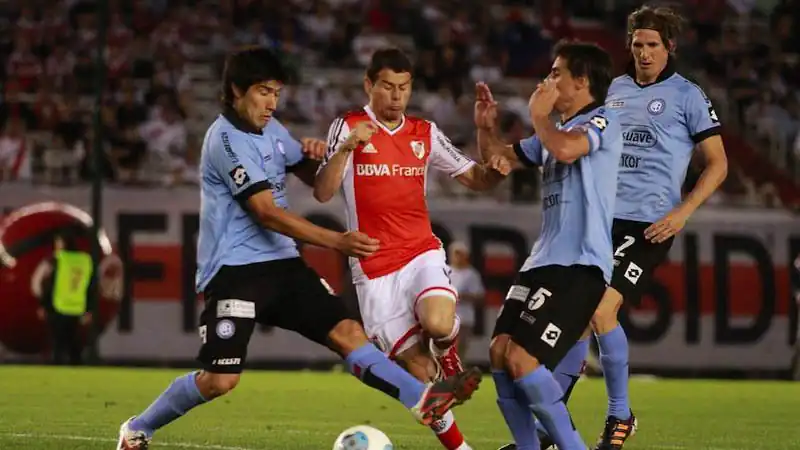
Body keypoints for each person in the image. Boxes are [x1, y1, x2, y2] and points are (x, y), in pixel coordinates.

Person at [115, 47, 482, 450]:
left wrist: (322, 154)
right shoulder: (224, 140)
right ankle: (138, 427)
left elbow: (317, 178)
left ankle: (423, 400)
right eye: (262, 92)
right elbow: (267, 213)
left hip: (283, 265)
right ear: (236, 91)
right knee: (220, 380)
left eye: (276, 93)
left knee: (348, 333)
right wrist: (337, 241)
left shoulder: (272, 131)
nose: (272, 103)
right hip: (234, 274)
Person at [530, 6, 729, 450]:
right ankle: (549, 430)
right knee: (575, 322)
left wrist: (683, 211)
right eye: (638, 44)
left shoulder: (687, 96)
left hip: (648, 224)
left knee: (600, 310)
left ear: (669, 47)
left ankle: (620, 414)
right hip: (599, 217)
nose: (643, 52)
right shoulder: (614, 90)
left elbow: (718, 164)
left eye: (652, 45)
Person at [313, 48, 510, 450]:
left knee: (438, 323)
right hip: (374, 270)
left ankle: (449, 351)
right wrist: (347, 148)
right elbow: (322, 192)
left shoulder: (424, 132)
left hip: (420, 251)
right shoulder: (348, 126)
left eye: (404, 87)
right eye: (387, 86)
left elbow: (478, 178)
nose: (396, 96)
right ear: (370, 85)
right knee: (421, 378)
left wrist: (488, 144)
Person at [475, 40, 621, 450]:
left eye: (556, 74)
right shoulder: (552, 132)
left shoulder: (603, 120)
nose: (548, 81)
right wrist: (487, 129)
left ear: (582, 80)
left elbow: (567, 149)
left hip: (580, 264)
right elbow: (500, 160)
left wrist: (538, 116)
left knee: (523, 359)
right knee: (500, 352)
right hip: (543, 260)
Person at [35, 232, 95, 365]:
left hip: (59, 305)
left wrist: (43, 304)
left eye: (58, 243)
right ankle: (77, 368)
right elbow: (91, 286)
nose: (56, 246)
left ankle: (58, 368)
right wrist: (89, 309)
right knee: (73, 342)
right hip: (77, 306)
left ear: (64, 244)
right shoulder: (84, 260)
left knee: (58, 343)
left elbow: (49, 284)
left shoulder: (58, 260)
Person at [447, 241, 486, 359]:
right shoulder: (444, 270)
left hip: (464, 318)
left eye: (460, 254)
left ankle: (456, 375)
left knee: (459, 351)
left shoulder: (471, 274)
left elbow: (480, 296)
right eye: (455, 253)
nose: (457, 256)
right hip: (445, 317)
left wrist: (462, 296)